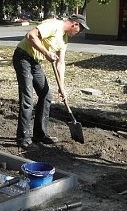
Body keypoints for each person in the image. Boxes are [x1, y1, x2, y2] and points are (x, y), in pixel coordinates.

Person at [12, 14, 89, 149]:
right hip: (23, 57)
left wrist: (62, 86)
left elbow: (61, 62)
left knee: (46, 95)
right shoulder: (54, 26)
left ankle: (40, 134)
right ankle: (23, 138)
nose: (79, 33)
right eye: (80, 29)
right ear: (75, 24)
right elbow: (30, 35)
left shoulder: (64, 39)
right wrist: (46, 53)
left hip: (35, 62)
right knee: (27, 99)